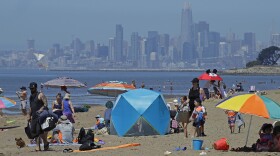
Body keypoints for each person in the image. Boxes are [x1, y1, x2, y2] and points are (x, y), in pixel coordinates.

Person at [27, 82, 49, 151]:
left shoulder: (40, 95)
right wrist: (28, 115)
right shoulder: (31, 97)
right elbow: (31, 107)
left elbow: (46, 104)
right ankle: (45, 143)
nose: (31, 90)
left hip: (41, 116)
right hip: (34, 116)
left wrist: (41, 110)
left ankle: (38, 146)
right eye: (30, 88)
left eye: (32, 88)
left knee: (39, 131)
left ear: (36, 88)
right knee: (34, 131)